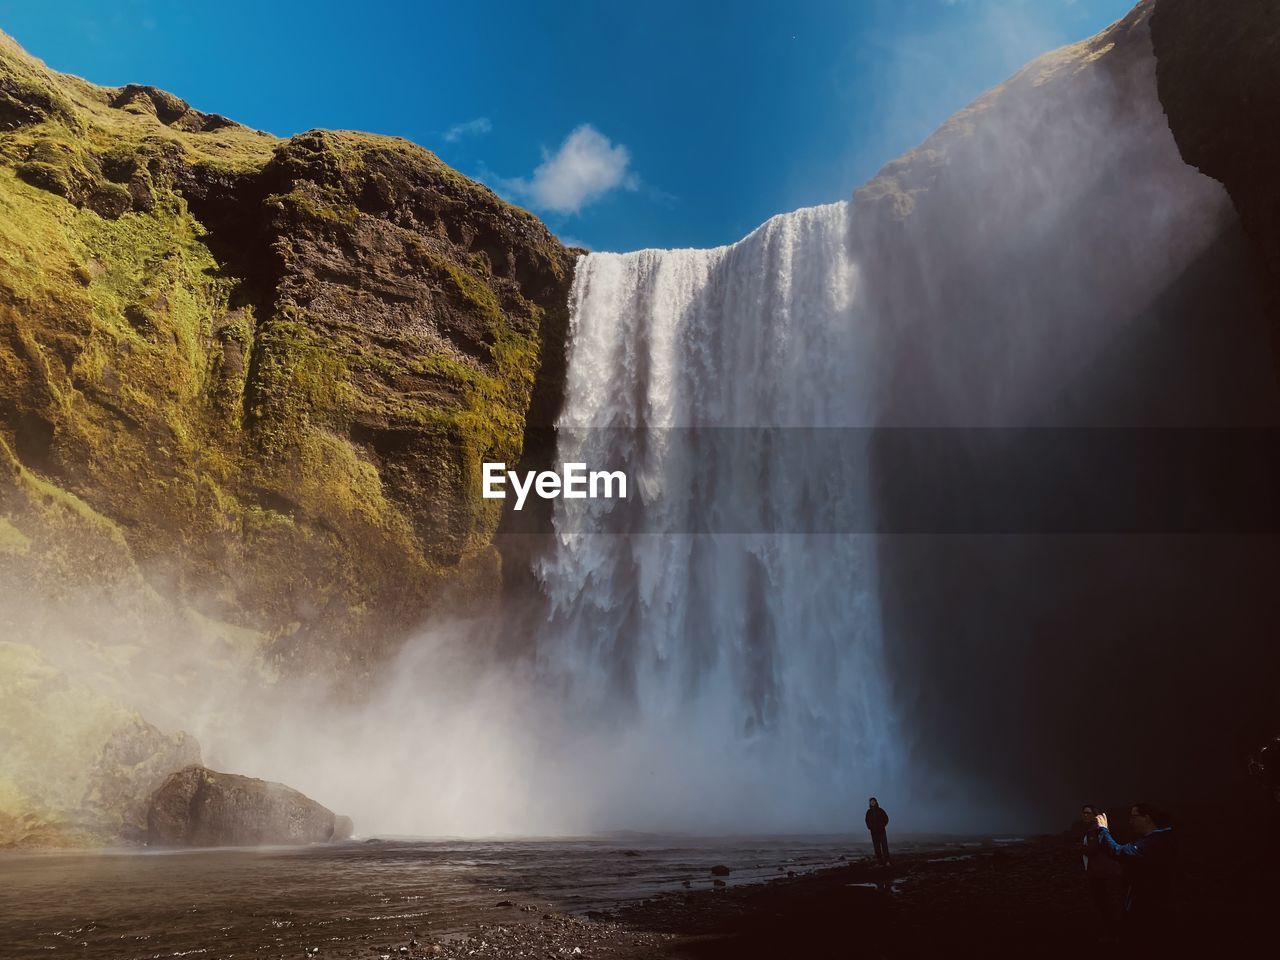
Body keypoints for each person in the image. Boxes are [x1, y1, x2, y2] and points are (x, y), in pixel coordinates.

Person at [1094, 803, 1176, 939]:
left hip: (1149, 907)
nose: (1130, 821)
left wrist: (1103, 830)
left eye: (1134, 817)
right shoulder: (1163, 838)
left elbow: (1119, 851)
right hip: (1155, 903)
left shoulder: (1154, 843)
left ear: (1146, 818)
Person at [1079, 804, 1123, 933]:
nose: (1085, 815)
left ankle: (1112, 932)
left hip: (1100, 873)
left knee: (1103, 903)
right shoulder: (1093, 829)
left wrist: (1080, 848)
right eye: (1084, 813)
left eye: (1088, 813)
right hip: (1101, 872)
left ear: (1094, 815)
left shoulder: (1095, 829)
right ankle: (1112, 930)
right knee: (1105, 902)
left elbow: (1092, 849)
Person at [866, 797, 891, 866]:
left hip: (881, 832)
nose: (872, 803)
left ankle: (887, 861)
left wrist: (882, 825)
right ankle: (880, 862)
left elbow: (886, 818)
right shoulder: (868, 812)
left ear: (876, 802)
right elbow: (867, 821)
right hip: (874, 833)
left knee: (884, 847)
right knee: (877, 848)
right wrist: (870, 827)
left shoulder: (880, 810)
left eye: (873, 801)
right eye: (871, 802)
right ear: (870, 803)